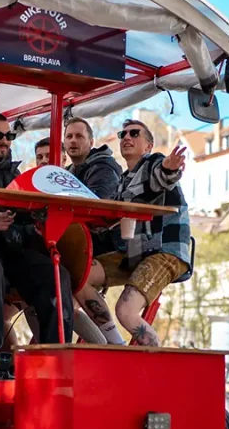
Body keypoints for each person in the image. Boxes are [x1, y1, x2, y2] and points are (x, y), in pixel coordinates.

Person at [0, 112, 75, 359]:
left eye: (9, 136)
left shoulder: (14, 173)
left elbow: (25, 215)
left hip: (12, 248)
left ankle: (56, 356)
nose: (5, 141)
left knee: (56, 273)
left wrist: (37, 220)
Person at [76, 119, 190, 347]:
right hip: (135, 252)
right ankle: (113, 344)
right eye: (123, 134)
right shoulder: (122, 181)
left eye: (134, 133)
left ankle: (154, 366)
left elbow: (163, 176)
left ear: (148, 146)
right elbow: (109, 218)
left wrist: (170, 167)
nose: (126, 137)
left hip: (164, 250)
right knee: (78, 277)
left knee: (126, 311)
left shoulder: (154, 162)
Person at [63, 117, 122, 198]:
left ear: (91, 143)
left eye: (79, 136)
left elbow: (95, 205)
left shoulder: (103, 170)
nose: (73, 140)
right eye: (69, 136)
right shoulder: (66, 172)